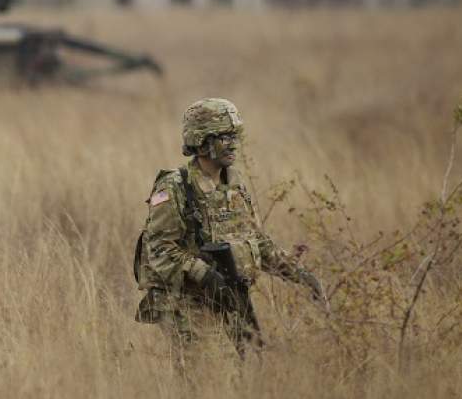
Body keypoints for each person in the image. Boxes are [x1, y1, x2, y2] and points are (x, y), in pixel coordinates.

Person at [134, 97, 326, 370]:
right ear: (201, 141)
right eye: (224, 136)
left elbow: (257, 242)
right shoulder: (175, 187)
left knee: (249, 366)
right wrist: (206, 275)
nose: (233, 144)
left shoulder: (234, 185)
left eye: (234, 135)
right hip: (189, 304)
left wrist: (298, 274)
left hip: (230, 299)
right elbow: (160, 250)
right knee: (208, 375)